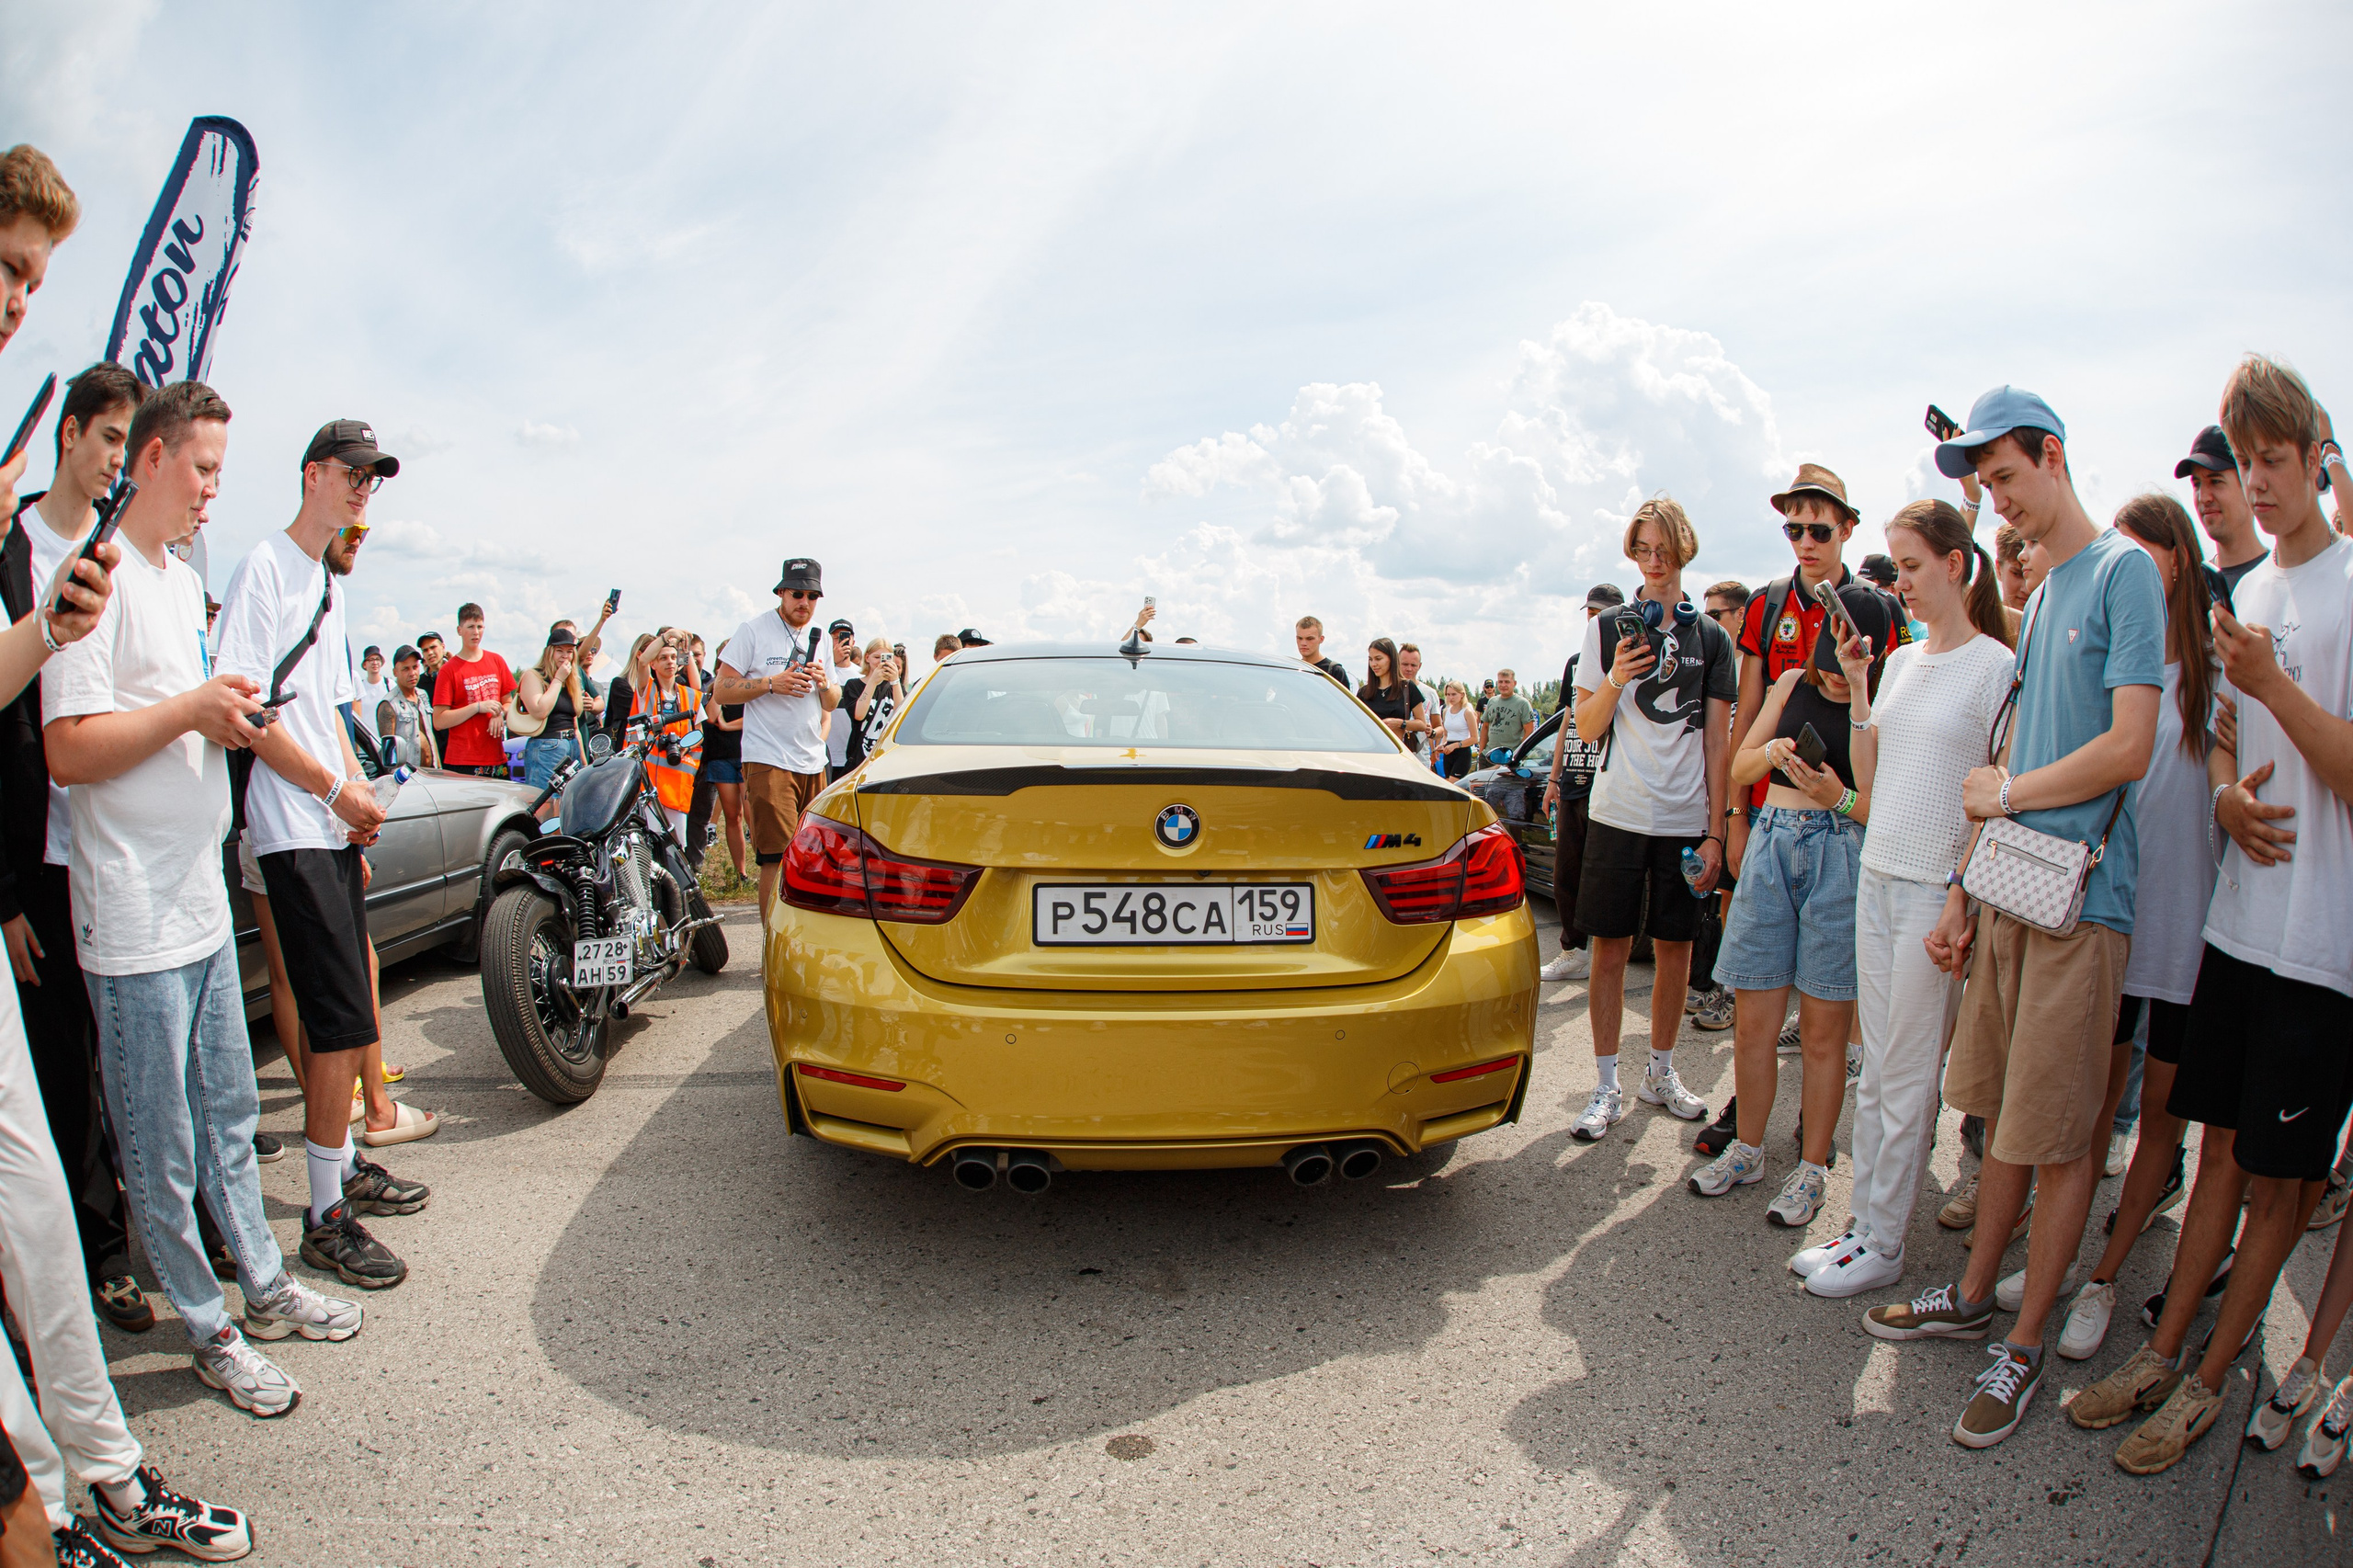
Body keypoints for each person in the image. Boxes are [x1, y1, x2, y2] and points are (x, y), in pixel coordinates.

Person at [47, 382, 367, 1425]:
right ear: (146, 459)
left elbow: (191, 710)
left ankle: (263, 1284)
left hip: (193, 893)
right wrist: (191, 706)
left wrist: (218, 717)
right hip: (131, 909)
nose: (211, 493)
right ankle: (205, 1321)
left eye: (223, 474)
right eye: (200, 470)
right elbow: (68, 746)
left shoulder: (182, 584)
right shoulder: (94, 580)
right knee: (159, 1135)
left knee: (229, 1109)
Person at [1863, 386, 2165, 1455]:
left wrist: (2009, 799)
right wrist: (1968, 880)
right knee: (1993, 1109)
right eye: (1984, 487)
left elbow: (2130, 744)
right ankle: (1978, 1292)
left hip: (2081, 897)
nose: (1999, 505)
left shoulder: (2127, 570)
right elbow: (2015, 757)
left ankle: (2026, 1342)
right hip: (2008, 889)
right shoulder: (2040, 600)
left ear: (2053, 454)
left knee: (2059, 1130)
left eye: (2004, 479)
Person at [2070, 358, 2353, 1474]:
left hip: (2324, 948)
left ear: (2315, 456)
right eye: (2244, 464)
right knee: (2219, 1144)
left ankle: (2205, 1376)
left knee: (2281, 1179)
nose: (2258, 484)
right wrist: (2231, 795)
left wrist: (2276, 689)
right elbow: (2232, 742)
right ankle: (2170, 1344)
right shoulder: (2255, 597)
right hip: (2240, 926)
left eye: (2273, 463)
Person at [213, 417, 428, 1299]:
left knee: (352, 1007)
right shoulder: (263, 567)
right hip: (289, 827)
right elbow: (247, 714)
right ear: (311, 475)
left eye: (373, 479)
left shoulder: (325, 582)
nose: (362, 490)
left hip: (327, 828)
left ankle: (337, 1176)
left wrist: (356, 803)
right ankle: (322, 1216)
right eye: (353, 473)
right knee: (336, 1015)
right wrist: (333, 795)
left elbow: (333, 711)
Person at [1794, 501, 2014, 1299]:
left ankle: (1883, 1239)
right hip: (1878, 871)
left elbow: (1993, 792)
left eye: (1914, 566)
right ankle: (1865, 1226)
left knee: (1911, 1071)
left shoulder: (1996, 665)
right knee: (1879, 1070)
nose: (1904, 584)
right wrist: (1857, 685)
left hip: (1933, 890)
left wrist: (1963, 890)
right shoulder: (1902, 662)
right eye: (1899, 566)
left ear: (1957, 565)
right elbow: (1872, 775)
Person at [2043, 494, 2220, 1360]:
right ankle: (2061, 1265)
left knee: (2161, 1115)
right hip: (2114, 911)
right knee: (2092, 1104)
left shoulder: (2218, 667)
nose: (2128, 568)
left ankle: (2106, 1278)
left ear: (2178, 561)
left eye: (2146, 552)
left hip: (2189, 928)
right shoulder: (2113, 654)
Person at [2, 361, 148, 1335]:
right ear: (71, 434)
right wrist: (5, 888)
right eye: (107, 441)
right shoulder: (12, 546)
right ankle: (95, 1257)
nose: (114, 464)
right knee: (61, 1062)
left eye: (128, 451)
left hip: (119, 845)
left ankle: (150, 1226)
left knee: (127, 1051)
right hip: (37, 858)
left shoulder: (128, 550)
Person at [1689, 584, 1891, 1227]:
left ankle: (1811, 1169)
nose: (1835, 658)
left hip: (1842, 853)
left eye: (1851, 644)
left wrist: (1858, 695)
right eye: (1830, 637)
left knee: (1825, 1035)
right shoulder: (1792, 682)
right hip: (1775, 843)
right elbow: (1741, 766)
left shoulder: (1883, 697)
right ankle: (1748, 1149)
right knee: (1753, 1020)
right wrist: (1771, 752)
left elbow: (1877, 796)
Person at [1566, 498, 1733, 1141]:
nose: (1654, 560)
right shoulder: (1608, 627)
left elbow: (1718, 741)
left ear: (1683, 549)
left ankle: (1659, 1072)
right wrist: (1614, 678)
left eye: (1663, 548)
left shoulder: (1712, 637)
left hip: (1686, 817)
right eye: (1642, 549)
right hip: (1618, 811)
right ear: (1631, 553)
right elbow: (1585, 725)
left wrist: (1717, 828)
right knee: (1608, 949)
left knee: (1676, 950)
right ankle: (1606, 1084)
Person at [714, 559, 840, 923]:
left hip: (812, 759)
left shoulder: (820, 637)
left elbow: (831, 702)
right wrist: (770, 683)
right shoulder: (753, 630)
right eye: (797, 594)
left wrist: (823, 683)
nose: (805, 602)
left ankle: (804, 940)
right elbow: (721, 690)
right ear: (781, 592)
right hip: (768, 758)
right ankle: (772, 945)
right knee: (776, 856)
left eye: (812, 596)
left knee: (813, 856)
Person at [1539, 584, 1622, 983]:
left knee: (1604, 877)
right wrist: (1554, 778)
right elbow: (1566, 722)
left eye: (1602, 614)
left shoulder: (1633, 657)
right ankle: (1571, 951)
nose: (1595, 620)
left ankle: (1606, 955)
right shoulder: (1575, 662)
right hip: (1573, 777)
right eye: (1590, 614)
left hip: (1612, 780)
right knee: (1565, 874)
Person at [613, 636, 699, 840]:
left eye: (672, 657)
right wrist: (666, 636)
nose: (670, 661)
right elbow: (642, 661)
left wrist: (685, 747)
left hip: (677, 781)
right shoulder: (647, 690)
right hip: (650, 785)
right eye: (663, 658)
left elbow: (700, 733)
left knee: (677, 845)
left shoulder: (689, 695)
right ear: (654, 664)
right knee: (650, 842)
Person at [2177, 425, 2265, 601]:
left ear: (2247, 484)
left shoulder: (2281, 575)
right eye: (2197, 484)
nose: (2204, 497)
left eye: (2216, 481)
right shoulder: (2192, 591)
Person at [430, 603, 514, 777]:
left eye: (479, 627)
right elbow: (439, 721)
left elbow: (509, 702)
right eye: (470, 627)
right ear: (459, 630)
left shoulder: (496, 661)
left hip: (496, 757)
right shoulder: (449, 670)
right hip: (463, 760)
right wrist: (477, 707)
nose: (476, 632)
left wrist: (500, 714)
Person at [696, 638, 748, 881]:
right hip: (722, 756)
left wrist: (727, 726)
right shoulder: (713, 687)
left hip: (748, 754)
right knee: (732, 816)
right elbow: (711, 717)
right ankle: (741, 873)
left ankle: (767, 864)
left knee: (752, 815)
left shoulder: (749, 685)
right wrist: (719, 682)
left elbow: (754, 719)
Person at [513, 623, 586, 792]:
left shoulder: (571, 678)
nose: (565, 656)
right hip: (547, 747)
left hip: (571, 744)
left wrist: (583, 759)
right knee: (547, 803)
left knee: (570, 801)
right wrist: (558, 680)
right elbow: (540, 711)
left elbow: (575, 722)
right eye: (559, 651)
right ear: (549, 652)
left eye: (569, 651)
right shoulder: (534, 675)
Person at [376, 644, 438, 770]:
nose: (412, 673)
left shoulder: (422, 695)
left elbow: (430, 734)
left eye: (415, 667)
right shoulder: (389, 705)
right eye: (405, 669)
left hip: (432, 773)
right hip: (408, 779)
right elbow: (389, 756)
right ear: (395, 672)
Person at [847, 637, 904, 771]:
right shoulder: (854, 685)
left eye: (885, 658)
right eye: (876, 657)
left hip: (887, 760)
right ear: (867, 657)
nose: (881, 662)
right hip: (860, 760)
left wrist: (895, 681)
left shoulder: (895, 687)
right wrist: (873, 682)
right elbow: (859, 715)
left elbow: (901, 717)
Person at [1357, 640, 1426, 745]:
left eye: (1378, 659)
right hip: (1369, 750)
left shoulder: (1407, 687)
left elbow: (1422, 724)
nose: (1373, 664)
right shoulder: (1363, 692)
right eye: (1370, 659)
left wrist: (1399, 723)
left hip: (1396, 750)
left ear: (1392, 659)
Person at [824, 618, 861, 781]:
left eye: (845, 637)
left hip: (852, 753)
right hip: (827, 751)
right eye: (835, 637)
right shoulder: (822, 670)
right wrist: (831, 661)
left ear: (853, 641)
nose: (841, 641)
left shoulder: (862, 675)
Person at [1483, 669, 1537, 763]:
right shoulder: (1492, 701)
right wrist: (1481, 752)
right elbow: (1485, 727)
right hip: (1488, 756)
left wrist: (1518, 754)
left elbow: (1529, 730)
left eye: (1507, 682)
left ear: (1514, 683)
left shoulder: (1523, 704)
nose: (1503, 685)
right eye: (1500, 682)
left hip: (1509, 758)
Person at [1431, 680, 1480, 778]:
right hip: (1448, 752)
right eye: (1448, 694)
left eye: (1454, 694)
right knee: (1449, 785)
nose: (1450, 698)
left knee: (1454, 784)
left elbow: (1474, 738)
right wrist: (1443, 745)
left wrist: (1455, 745)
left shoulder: (1467, 712)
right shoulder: (1446, 712)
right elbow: (1446, 734)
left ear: (1462, 695)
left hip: (1462, 752)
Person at [1295, 616, 1347, 686]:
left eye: (1310, 639)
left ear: (1321, 639)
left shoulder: (1335, 671)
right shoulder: (1293, 669)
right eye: (1300, 638)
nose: (1303, 643)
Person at [354, 643, 390, 719]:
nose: (375, 663)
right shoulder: (360, 687)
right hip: (364, 730)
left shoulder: (389, 684)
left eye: (377, 659)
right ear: (364, 665)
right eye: (371, 660)